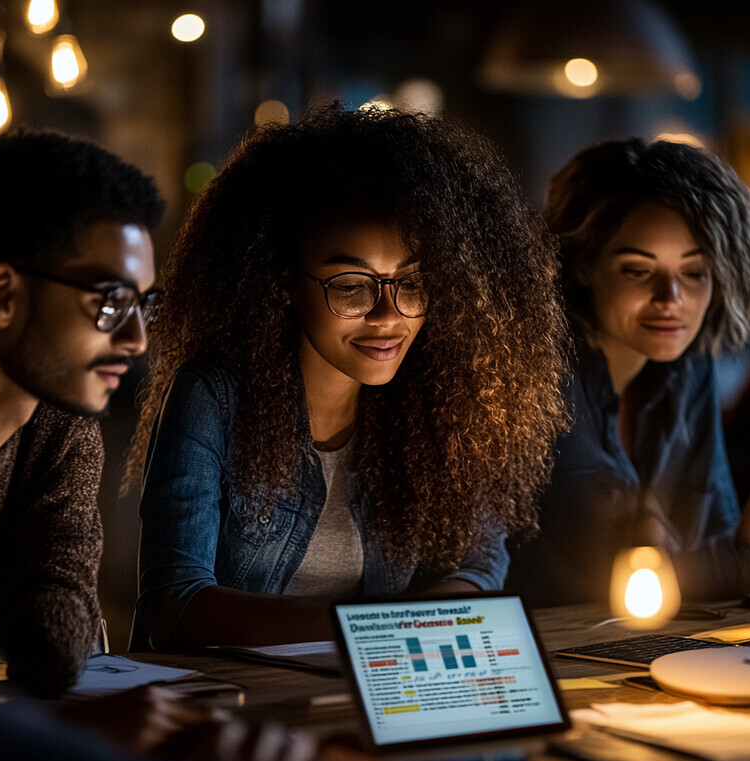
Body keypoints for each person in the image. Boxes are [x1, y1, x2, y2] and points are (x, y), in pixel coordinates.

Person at [127, 105, 569, 649]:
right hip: (233, 708)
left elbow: (480, 567)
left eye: (411, 282)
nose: (387, 315)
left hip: (374, 694)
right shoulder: (212, 396)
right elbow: (174, 604)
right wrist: (373, 636)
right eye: (351, 285)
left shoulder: (440, 395)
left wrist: (386, 641)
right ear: (285, 281)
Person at [504, 138, 750, 606]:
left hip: (642, 651)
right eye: (637, 271)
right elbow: (596, 579)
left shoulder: (689, 368)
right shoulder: (528, 377)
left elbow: (725, 558)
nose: (671, 299)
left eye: (694, 273)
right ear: (584, 264)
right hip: (537, 653)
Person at [0, 129, 164, 695]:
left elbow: (58, 596)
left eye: (145, 304)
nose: (136, 339)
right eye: (110, 301)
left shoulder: (60, 426)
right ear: (2, 295)